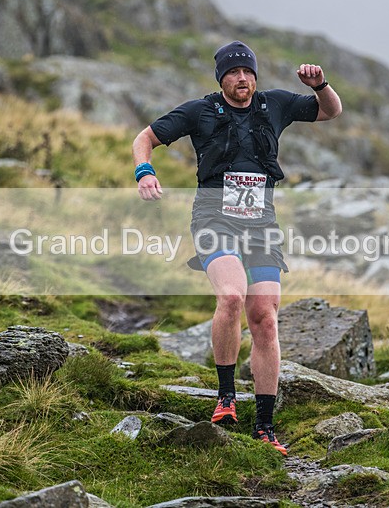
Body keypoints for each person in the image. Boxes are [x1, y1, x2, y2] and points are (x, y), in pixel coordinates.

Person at [133, 40, 342, 455]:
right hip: (214, 219)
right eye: (232, 73)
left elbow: (331, 111)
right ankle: (226, 398)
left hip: (262, 226)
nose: (241, 78)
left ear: (255, 76)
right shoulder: (200, 111)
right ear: (221, 78)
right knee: (231, 296)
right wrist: (144, 172)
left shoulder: (276, 105)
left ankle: (265, 425)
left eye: (247, 72)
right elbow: (146, 137)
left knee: (264, 318)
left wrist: (320, 86)